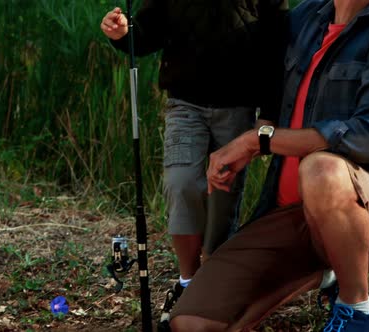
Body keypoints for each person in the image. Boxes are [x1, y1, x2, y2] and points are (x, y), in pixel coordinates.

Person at [169, 0, 369, 331]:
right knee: (191, 322)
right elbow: (264, 73)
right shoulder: (304, 17)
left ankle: (357, 311)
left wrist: (256, 140)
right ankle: (323, 269)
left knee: (320, 169)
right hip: (288, 216)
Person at [100, 1, 288, 329]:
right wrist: (123, 33)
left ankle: (212, 288)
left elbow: (277, 50)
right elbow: (145, 34)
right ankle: (187, 282)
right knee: (181, 183)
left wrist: (269, 115)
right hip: (185, 103)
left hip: (239, 108)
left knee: (223, 200)